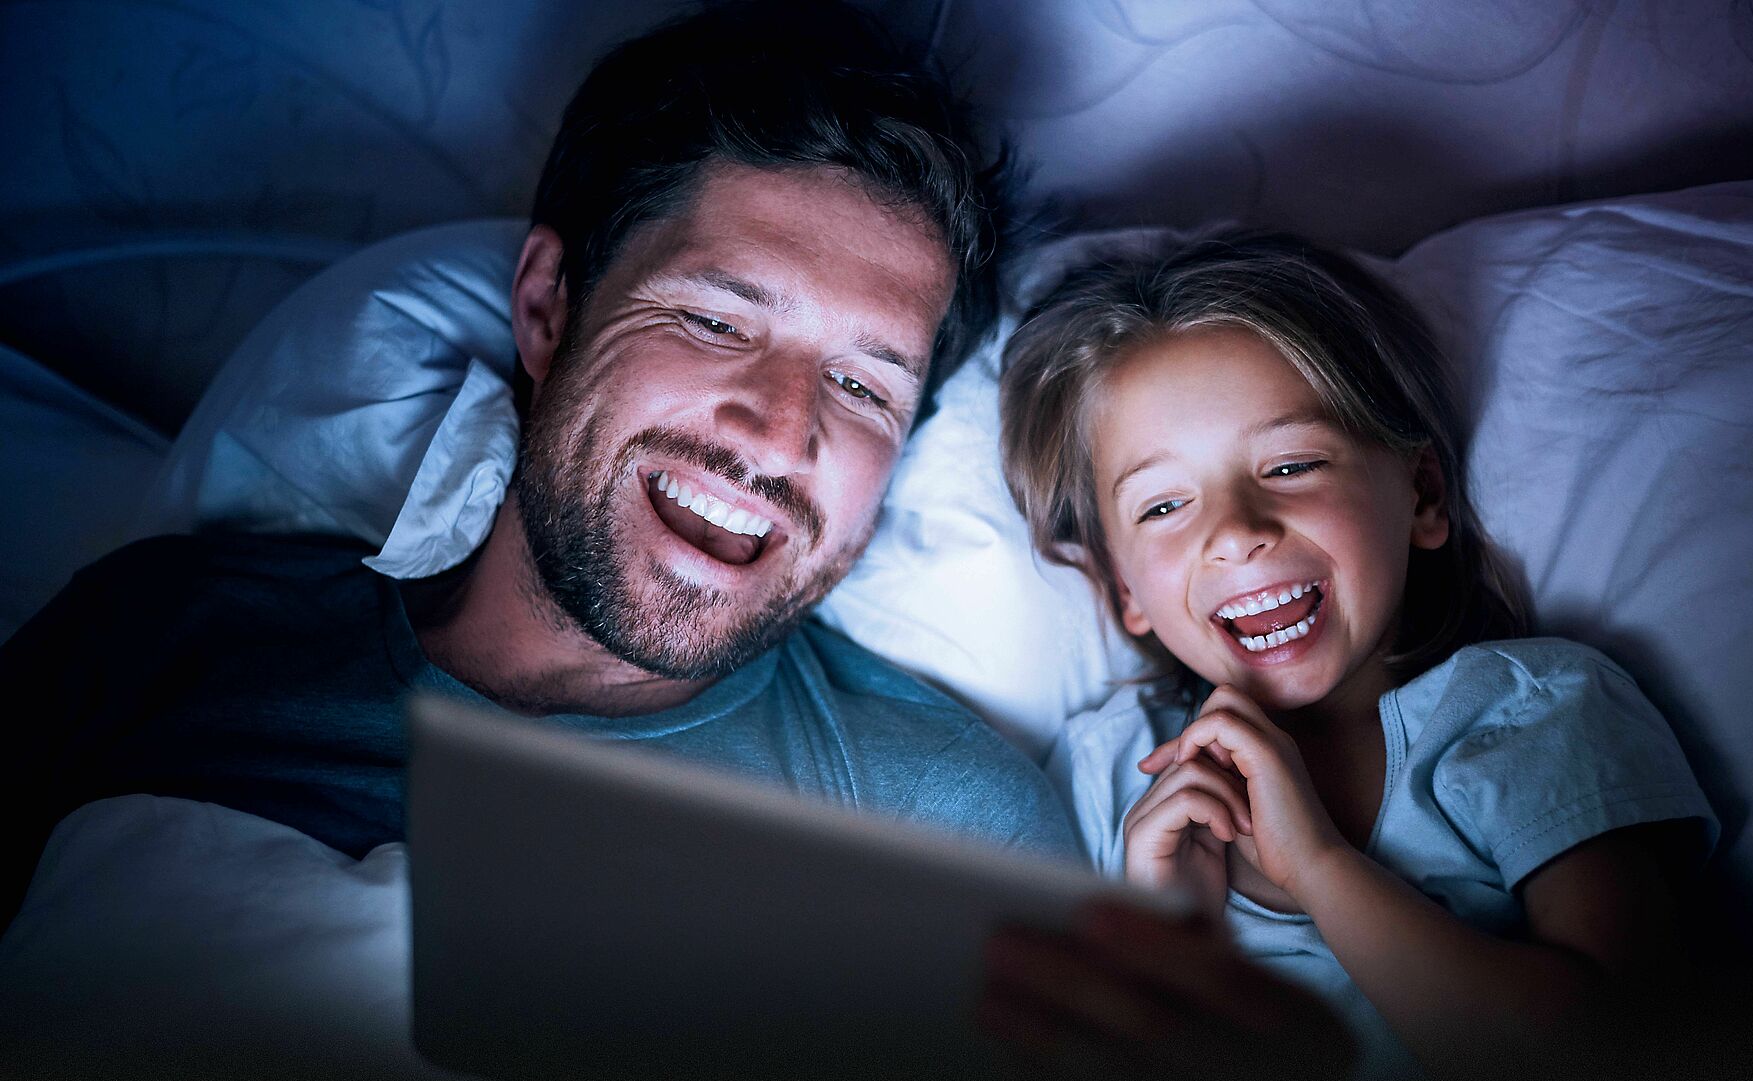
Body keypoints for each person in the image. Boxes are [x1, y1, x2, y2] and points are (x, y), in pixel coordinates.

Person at [0, 1, 1076, 931]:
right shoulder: (170, 644)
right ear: (547, 307)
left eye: (862, 388)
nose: (779, 433)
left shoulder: (950, 840)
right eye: (713, 318)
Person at [991, 232, 1720, 1078]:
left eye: (1292, 463)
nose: (1234, 530)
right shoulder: (1104, 777)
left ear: (1422, 494)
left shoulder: (1533, 711)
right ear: (1124, 589)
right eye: (1162, 507)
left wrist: (1318, 866)